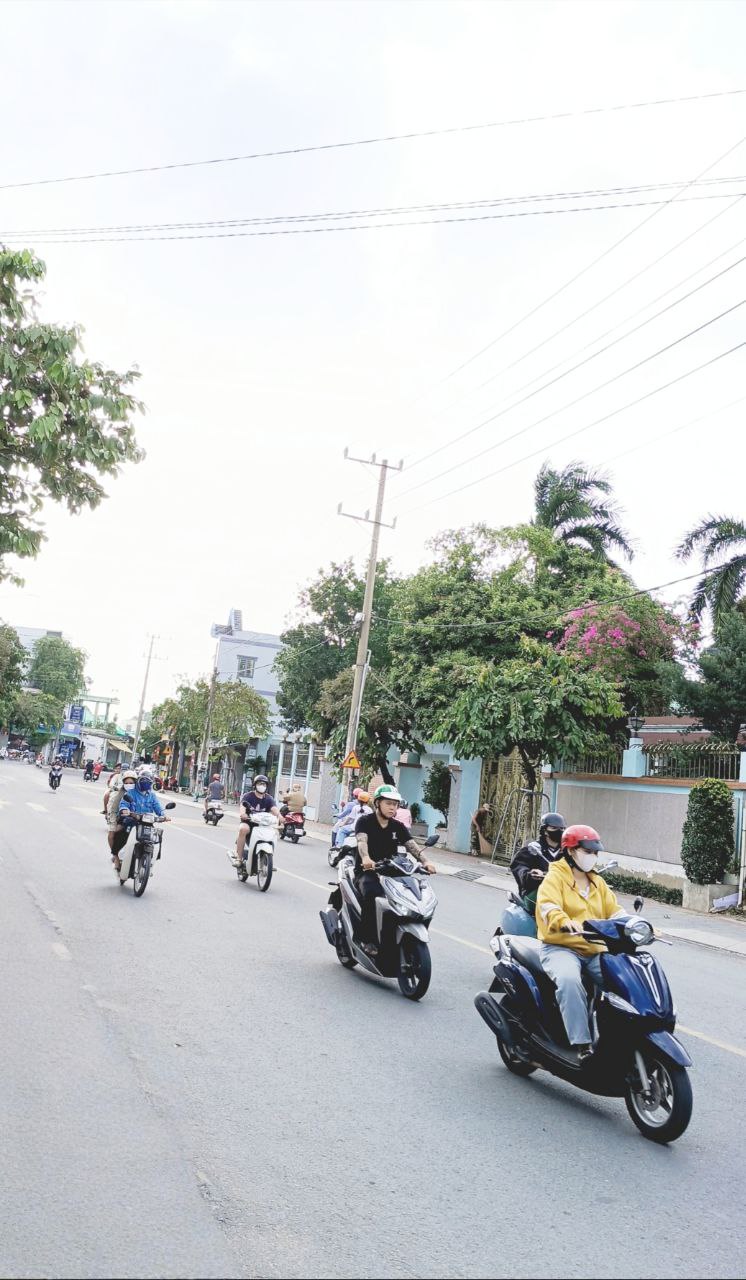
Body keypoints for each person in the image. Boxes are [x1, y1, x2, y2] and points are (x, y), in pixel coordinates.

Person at [536, 823, 626, 1061]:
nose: (592, 857)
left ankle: (623, 1037)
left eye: (595, 852)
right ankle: (582, 1044)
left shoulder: (598, 883)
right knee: (569, 981)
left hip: (595, 950)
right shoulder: (555, 877)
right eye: (587, 851)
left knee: (624, 981)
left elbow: (615, 911)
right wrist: (563, 920)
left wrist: (637, 925)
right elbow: (548, 905)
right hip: (561, 947)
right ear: (570, 851)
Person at [354, 784, 437, 957]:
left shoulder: (397, 826)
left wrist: (425, 861)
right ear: (377, 803)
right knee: (373, 894)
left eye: (395, 804)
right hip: (368, 871)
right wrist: (366, 858)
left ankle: (402, 938)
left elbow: (411, 845)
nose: (392, 808)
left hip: (392, 870)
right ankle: (367, 938)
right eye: (388, 803)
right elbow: (362, 841)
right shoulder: (365, 821)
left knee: (414, 894)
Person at [500, 812, 566, 936]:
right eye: (554, 828)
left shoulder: (567, 852)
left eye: (562, 829)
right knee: (548, 904)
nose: (559, 831)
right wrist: (529, 875)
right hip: (535, 890)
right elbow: (518, 866)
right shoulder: (534, 849)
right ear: (545, 830)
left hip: (562, 891)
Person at [111, 767, 169, 872]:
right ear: (139, 780)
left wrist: (163, 815)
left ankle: (151, 859)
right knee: (121, 834)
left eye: (148, 781)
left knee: (156, 838)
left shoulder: (152, 795)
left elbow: (157, 807)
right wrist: (124, 809)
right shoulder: (131, 793)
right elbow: (124, 803)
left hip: (147, 822)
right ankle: (116, 856)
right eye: (143, 780)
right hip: (132, 820)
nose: (146, 783)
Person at [228, 774, 284, 868]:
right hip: (249, 823)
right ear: (255, 785)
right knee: (243, 829)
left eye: (264, 784)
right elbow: (243, 806)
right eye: (260, 783)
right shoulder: (248, 796)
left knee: (273, 834)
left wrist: (280, 816)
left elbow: (274, 808)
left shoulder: (269, 798)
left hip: (262, 825)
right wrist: (243, 814)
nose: (262, 786)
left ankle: (268, 860)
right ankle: (239, 858)